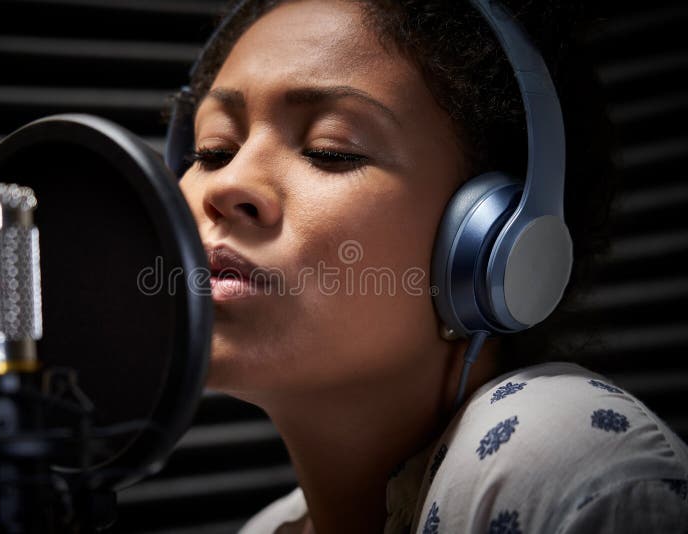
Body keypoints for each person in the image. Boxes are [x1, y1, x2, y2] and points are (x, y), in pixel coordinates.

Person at [174, 0, 688, 532]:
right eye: (213, 150)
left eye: (331, 149)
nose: (227, 184)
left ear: (495, 237)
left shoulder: (568, 458)